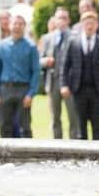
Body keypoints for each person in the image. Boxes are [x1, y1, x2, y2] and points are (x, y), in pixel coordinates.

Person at [60, 11, 99, 140]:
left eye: (92, 23)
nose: (89, 26)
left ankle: (98, 158)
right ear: (81, 25)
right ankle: (82, 158)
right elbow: (65, 65)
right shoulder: (73, 42)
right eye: (86, 23)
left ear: (97, 25)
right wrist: (64, 85)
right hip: (78, 90)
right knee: (80, 127)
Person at [0, 14, 40, 138]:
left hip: (23, 90)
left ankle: (27, 156)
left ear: (24, 26)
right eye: (15, 23)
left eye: (20, 24)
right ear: (9, 25)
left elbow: (36, 71)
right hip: (5, 90)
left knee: (25, 126)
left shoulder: (31, 47)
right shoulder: (1, 46)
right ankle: (5, 156)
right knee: (4, 125)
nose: (17, 27)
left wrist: (31, 94)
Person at [39, 8, 79, 139]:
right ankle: (57, 147)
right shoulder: (47, 38)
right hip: (52, 81)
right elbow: (39, 60)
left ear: (68, 20)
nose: (61, 21)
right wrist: (45, 61)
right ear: (55, 20)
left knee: (73, 117)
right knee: (55, 117)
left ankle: (74, 146)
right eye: (59, 18)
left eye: (64, 18)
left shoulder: (75, 37)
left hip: (69, 82)